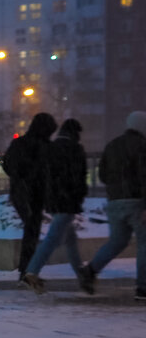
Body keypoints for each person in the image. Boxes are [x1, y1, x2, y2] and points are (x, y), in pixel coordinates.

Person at [79, 111, 146, 300]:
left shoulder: (112, 145)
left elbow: (102, 176)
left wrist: (116, 189)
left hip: (114, 202)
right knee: (144, 244)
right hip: (136, 202)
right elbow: (144, 176)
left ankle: (90, 270)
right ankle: (143, 288)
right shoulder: (142, 146)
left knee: (117, 241)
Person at [22, 119, 88, 294]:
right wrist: (78, 197)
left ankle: (83, 277)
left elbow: (43, 174)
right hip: (68, 201)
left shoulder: (50, 148)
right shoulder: (75, 149)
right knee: (52, 238)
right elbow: (80, 177)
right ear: (75, 134)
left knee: (70, 240)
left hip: (53, 200)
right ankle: (32, 272)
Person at [1, 112, 58, 281]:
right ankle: (27, 270)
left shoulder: (19, 143)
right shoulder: (45, 146)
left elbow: (7, 164)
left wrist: (19, 178)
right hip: (35, 193)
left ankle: (27, 269)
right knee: (32, 229)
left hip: (21, 191)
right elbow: (50, 171)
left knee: (31, 229)